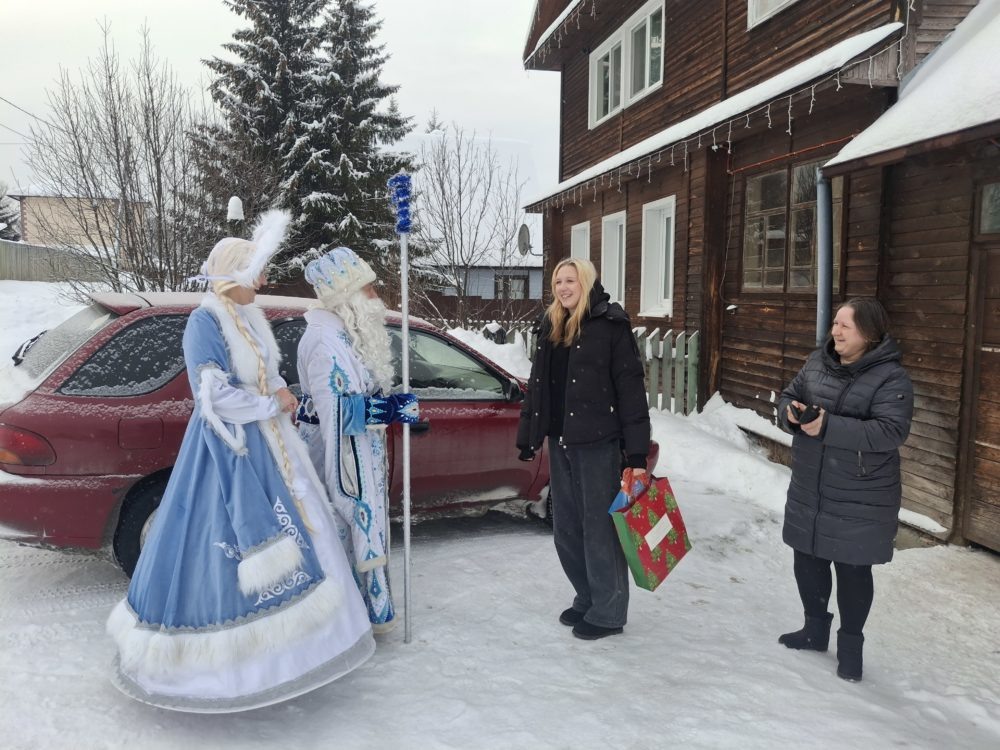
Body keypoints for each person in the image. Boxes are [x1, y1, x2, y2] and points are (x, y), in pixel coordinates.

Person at [106, 212, 374, 712]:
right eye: (260, 272)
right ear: (235, 275)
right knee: (214, 547)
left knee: (306, 534)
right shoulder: (203, 321)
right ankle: (222, 666)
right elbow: (215, 396)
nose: (267, 281)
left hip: (272, 446)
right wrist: (270, 404)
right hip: (226, 451)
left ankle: (301, 652)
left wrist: (277, 390)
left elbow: (263, 374)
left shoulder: (249, 317)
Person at [777, 297, 913, 682]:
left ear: (868, 334)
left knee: (852, 568)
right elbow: (790, 393)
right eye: (835, 323)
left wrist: (828, 427)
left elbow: (891, 431)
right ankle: (813, 630)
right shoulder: (817, 362)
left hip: (861, 490)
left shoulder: (892, 378)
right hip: (812, 483)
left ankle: (851, 649)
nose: (834, 331)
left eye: (845, 326)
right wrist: (788, 412)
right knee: (808, 557)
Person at [516, 257, 650, 641]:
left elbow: (631, 390)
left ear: (586, 282)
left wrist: (636, 455)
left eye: (570, 280)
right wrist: (529, 435)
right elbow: (538, 386)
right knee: (567, 529)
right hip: (560, 442)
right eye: (558, 281)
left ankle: (609, 611)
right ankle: (588, 595)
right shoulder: (551, 325)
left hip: (598, 444)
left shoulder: (610, 326)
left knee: (599, 530)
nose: (562, 287)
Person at [296, 246, 419, 633]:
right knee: (342, 531)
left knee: (364, 529)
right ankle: (347, 620)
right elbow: (339, 414)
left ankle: (365, 611)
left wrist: (389, 405)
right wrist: (389, 412)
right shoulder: (324, 342)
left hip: (360, 453)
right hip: (341, 460)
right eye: (368, 290)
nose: (376, 298)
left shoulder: (344, 336)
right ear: (346, 297)